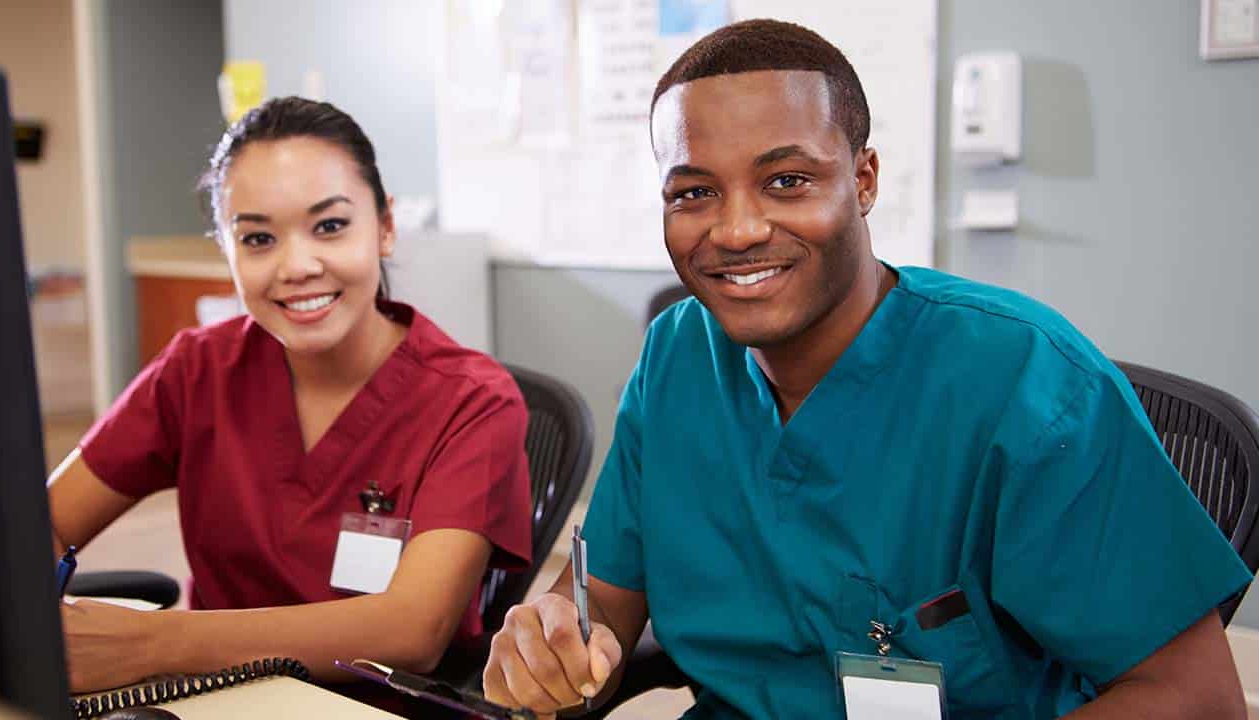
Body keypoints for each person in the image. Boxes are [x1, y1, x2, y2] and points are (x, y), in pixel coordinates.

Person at [483, 19, 1252, 719]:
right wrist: (552, 636)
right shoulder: (678, 354)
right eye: (694, 192)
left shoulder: (1025, 381)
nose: (739, 228)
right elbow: (606, 598)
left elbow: (1196, 697)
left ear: (864, 179)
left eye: (788, 181)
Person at [48, 97, 531, 696]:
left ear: (384, 226)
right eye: (257, 238)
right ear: (225, 249)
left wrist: (149, 643)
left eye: (329, 226)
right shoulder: (197, 371)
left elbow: (414, 629)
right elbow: (42, 523)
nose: (296, 266)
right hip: (213, 699)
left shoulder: (473, 402)